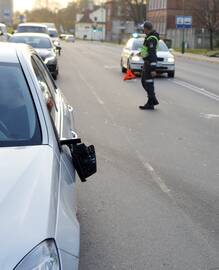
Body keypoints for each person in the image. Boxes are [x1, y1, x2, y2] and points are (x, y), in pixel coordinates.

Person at [139, 21, 160, 110]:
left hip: (149, 64)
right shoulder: (149, 37)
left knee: (148, 83)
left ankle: (152, 102)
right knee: (145, 82)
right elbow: (147, 50)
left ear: (146, 28)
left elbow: (152, 54)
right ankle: (151, 101)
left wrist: (153, 69)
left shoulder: (152, 38)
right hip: (146, 63)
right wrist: (141, 53)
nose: (143, 30)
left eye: (143, 28)